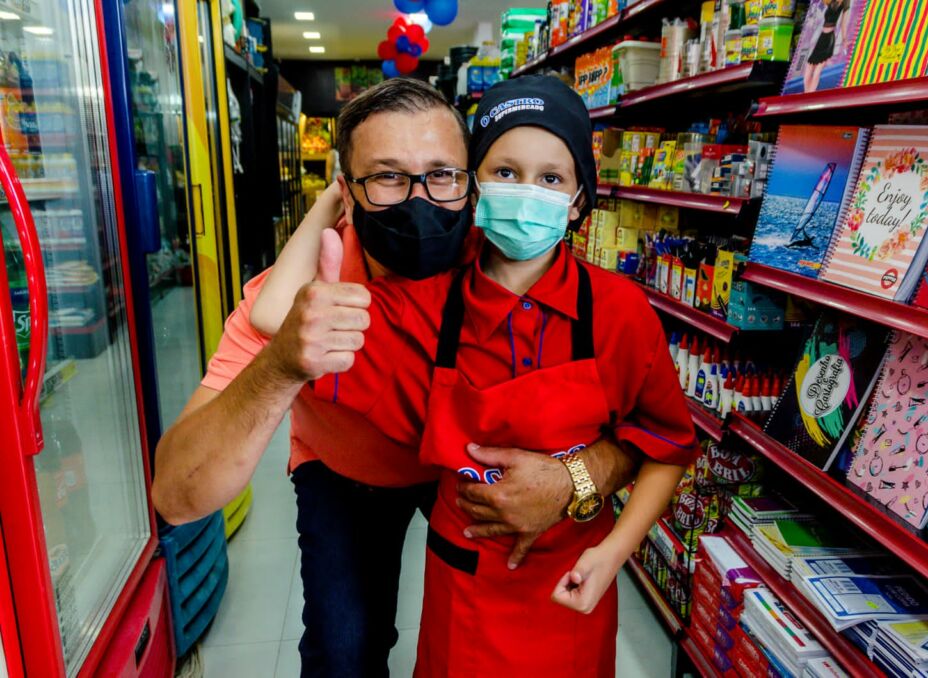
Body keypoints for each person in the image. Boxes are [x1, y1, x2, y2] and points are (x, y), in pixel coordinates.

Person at [151, 78, 639, 677]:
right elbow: (176, 495)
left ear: (473, 184)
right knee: (345, 648)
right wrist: (282, 364)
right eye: (386, 176)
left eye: (442, 174)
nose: (420, 199)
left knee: (506, 623)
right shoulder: (306, 291)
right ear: (348, 192)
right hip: (346, 470)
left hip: (466, 470)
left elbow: (641, 426)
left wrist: (575, 478)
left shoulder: (509, 258)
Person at [802, 0, 851, 93]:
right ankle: (806, 93)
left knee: (817, 70)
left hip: (829, 39)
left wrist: (844, 40)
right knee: (809, 67)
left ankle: (809, 94)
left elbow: (843, 24)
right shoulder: (832, 2)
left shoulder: (845, 4)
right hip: (821, 37)